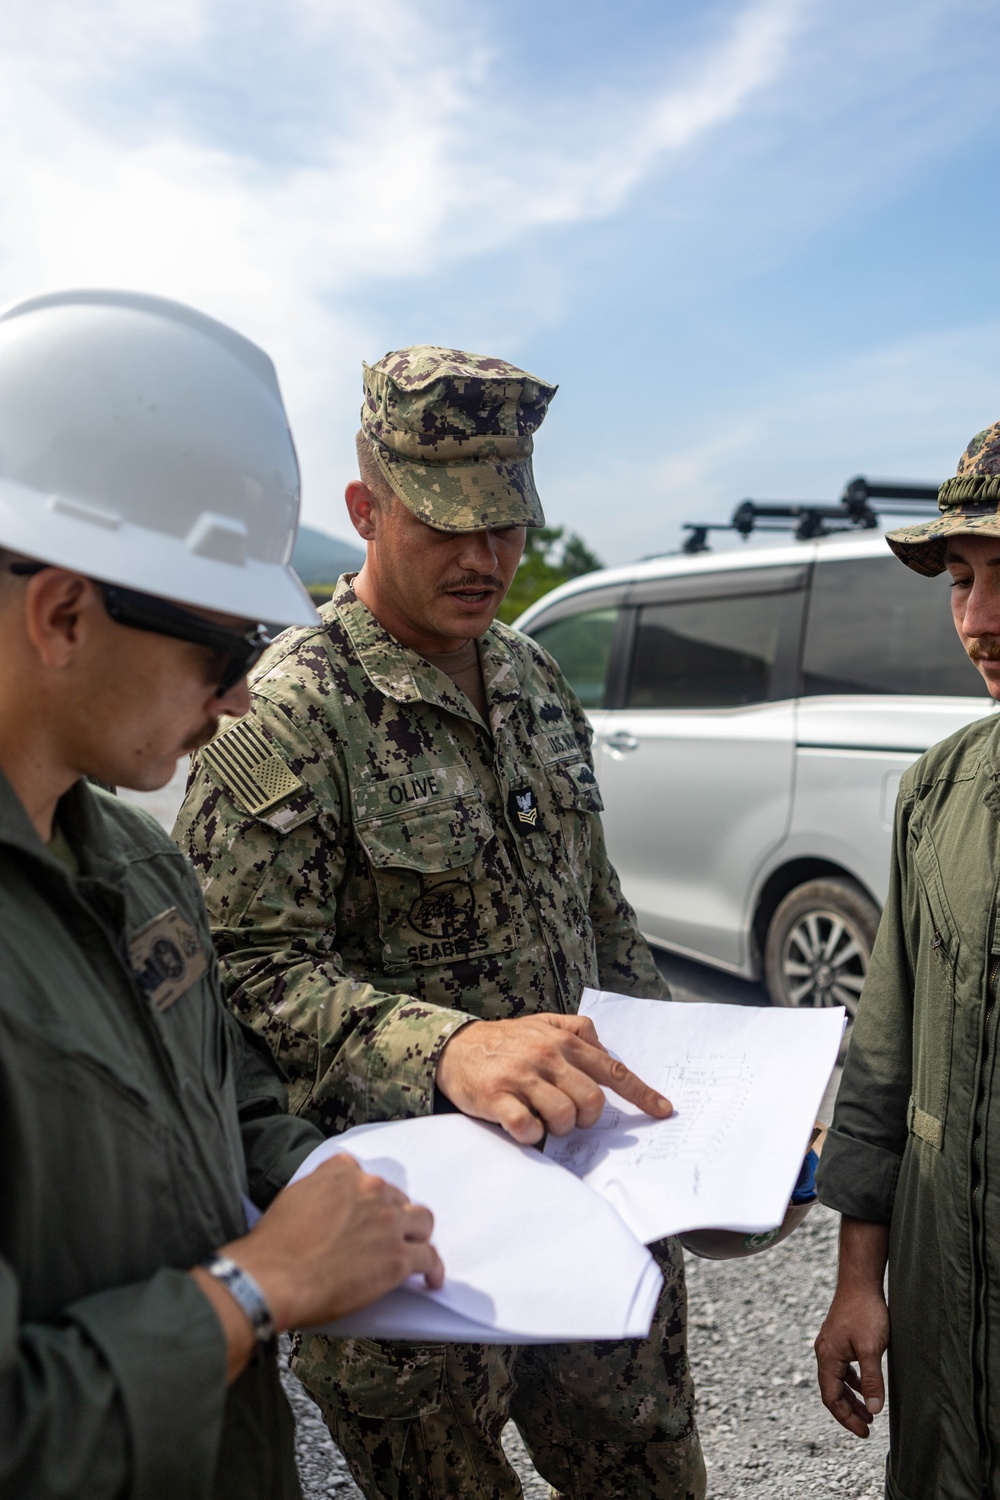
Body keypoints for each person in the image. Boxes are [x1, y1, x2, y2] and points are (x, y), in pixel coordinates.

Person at [175, 345, 707, 1500]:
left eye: (506, 522)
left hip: (596, 1207)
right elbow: (242, 976)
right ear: (365, 509)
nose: (485, 559)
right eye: (446, 524)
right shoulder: (286, 709)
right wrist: (446, 1046)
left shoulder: (527, 674)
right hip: (416, 1259)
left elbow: (597, 910)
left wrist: (704, 1110)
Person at [0, 290, 443, 1500]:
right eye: (226, 651)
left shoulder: (135, 863)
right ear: (65, 615)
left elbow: (221, 1097)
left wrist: (349, 1199)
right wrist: (257, 1289)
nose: (242, 700)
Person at [814, 419, 1000, 1498]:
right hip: (942, 1340)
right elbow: (883, 1058)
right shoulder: (938, 790)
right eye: (960, 579)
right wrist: (857, 1282)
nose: (976, 621)